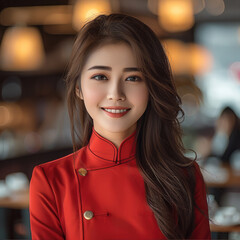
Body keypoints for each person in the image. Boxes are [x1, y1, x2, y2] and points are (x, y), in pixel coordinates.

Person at [29, 14, 211, 240]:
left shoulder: (184, 176)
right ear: (78, 88)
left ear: (151, 88)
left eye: (133, 78)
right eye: (100, 76)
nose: (116, 94)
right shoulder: (51, 180)